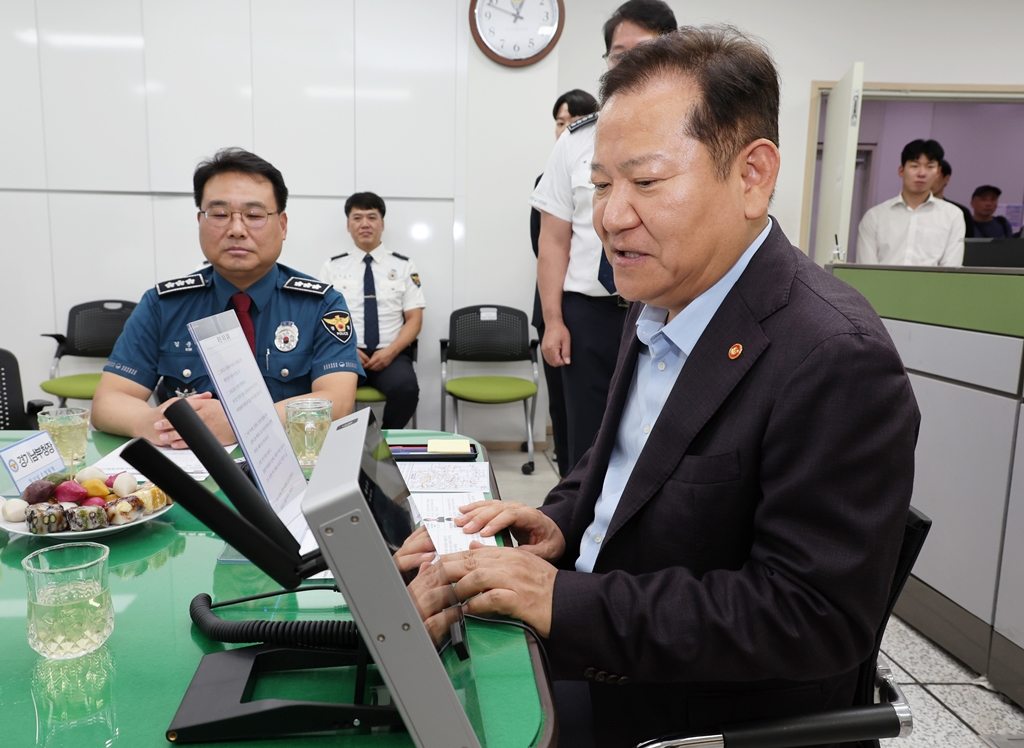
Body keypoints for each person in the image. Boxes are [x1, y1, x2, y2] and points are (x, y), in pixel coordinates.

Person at [402, 26, 919, 747]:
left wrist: (564, 601)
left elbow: (813, 616)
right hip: (608, 646)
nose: (611, 217)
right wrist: (559, 522)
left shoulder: (834, 357)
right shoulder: (663, 301)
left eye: (645, 182)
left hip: (685, 709)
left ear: (752, 175)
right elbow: (618, 471)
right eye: (602, 185)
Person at [93, 148, 363, 447]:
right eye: (219, 214)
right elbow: (108, 402)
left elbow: (337, 403)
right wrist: (156, 423)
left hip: (292, 463)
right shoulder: (163, 304)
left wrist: (244, 425)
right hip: (191, 470)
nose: (236, 229)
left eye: (254, 215)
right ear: (200, 221)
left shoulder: (321, 305)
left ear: (282, 225)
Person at [529, 0, 677, 473]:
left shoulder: (693, 137)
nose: (630, 62)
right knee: (584, 444)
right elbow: (553, 240)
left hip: (667, 311)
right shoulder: (574, 142)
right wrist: (553, 320)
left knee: (656, 439)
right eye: (618, 54)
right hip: (588, 316)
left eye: (646, 50)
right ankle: (574, 541)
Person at [532, 89, 599, 478]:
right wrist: (552, 317)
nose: (564, 129)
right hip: (575, 304)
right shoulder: (563, 162)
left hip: (644, 306)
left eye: (569, 121)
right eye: (559, 122)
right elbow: (546, 242)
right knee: (575, 421)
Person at [318, 192, 425, 429]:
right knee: (323, 394)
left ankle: (382, 451)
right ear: (348, 225)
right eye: (357, 218)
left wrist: (390, 352)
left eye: (371, 217)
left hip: (391, 353)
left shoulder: (404, 265)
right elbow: (321, 318)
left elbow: (414, 319)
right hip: (345, 354)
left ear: (382, 223)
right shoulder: (332, 266)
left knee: (406, 390)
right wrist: (348, 349)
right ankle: (341, 449)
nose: (364, 224)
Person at [855, 139, 965, 266]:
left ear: (938, 172)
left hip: (932, 286)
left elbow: (951, 269)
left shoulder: (952, 215)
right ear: (901, 170)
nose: (922, 173)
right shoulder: (875, 216)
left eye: (930, 167)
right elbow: (866, 269)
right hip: (883, 285)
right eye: (914, 166)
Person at [933, 159, 974, 238]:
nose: (929, 180)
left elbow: (967, 246)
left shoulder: (960, 212)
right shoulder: (910, 209)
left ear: (946, 179)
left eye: (935, 176)